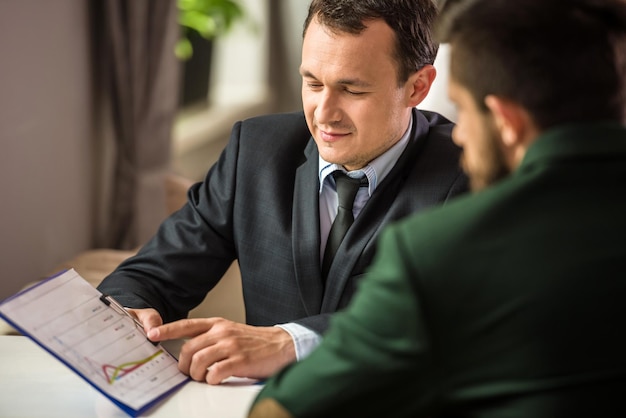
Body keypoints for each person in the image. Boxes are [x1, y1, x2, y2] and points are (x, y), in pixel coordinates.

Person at [247, 0, 626, 416]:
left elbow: (283, 409)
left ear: (505, 121)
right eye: (313, 83)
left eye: (462, 109)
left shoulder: (444, 250)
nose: (458, 134)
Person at [97, 0, 467, 385]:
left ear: (417, 87)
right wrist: (131, 309)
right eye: (312, 83)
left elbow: (452, 322)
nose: (324, 113)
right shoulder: (254, 151)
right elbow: (151, 275)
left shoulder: (472, 175)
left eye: (352, 89)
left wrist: (293, 343)